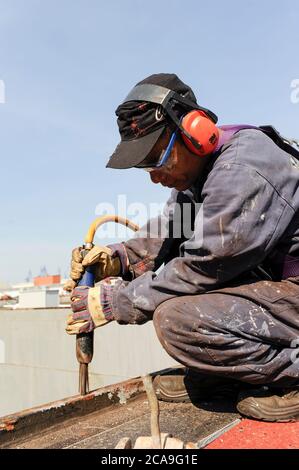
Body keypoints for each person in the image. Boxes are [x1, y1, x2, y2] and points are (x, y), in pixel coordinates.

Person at [65, 73, 299, 422]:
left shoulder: (243, 167)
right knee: (176, 295)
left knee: (178, 320)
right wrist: (118, 258)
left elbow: (205, 263)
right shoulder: (199, 176)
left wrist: (120, 302)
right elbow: (170, 230)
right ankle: (225, 375)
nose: (153, 176)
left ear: (195, 131)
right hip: (283, 290)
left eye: (157, 158)